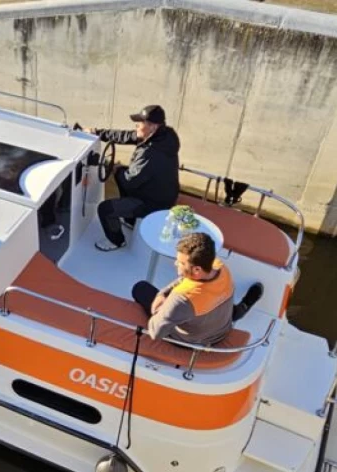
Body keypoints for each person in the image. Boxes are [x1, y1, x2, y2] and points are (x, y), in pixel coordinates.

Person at [131, 233, 263, 344]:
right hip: (223, 327)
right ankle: (242, 308)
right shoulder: (221, 268)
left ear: (197, 270)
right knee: (220, 305)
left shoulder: (181, 299)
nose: (175, 263)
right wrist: (163, 293)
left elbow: (156, 332)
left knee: (141, 288)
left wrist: (159, 311)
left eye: (181, 263)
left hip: (194, 341)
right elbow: (185, 279)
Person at [89, 105, 181, 251]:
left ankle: (117, 241)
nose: (136, 125)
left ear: (152, 127)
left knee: (105, 209)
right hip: (163, 194)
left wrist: (115, 169)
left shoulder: (150, 153)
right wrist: (97, 132)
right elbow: (127, 136)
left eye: (140, 122)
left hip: (153, 204)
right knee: (122, 173)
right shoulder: (166, 136)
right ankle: (131, 220)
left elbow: (130, 182)